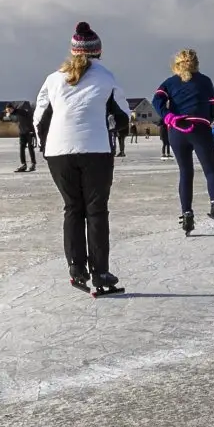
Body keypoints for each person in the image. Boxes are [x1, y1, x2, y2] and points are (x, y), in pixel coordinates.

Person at [35, 21, 127, 294]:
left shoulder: (53, 79)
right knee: (96, 211)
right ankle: (100, 273)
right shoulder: (107, 77)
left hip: (58, 153)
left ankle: (77, 271)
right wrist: (104, 124)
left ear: (73, 51)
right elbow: (123, 118)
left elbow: (40, 118)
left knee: (73, 209)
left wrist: (45, 147)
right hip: (96, 150)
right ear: (98, 51)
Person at [154, 48, 214, 235]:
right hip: (199, 129)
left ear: (176, 65)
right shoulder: (205, 81)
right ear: (196, 63)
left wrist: (168, 115)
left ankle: (187, 216)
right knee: (210, 170)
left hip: (177, 131)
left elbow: (156, 99)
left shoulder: (169, 83)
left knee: (186, 172)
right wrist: (205, 120)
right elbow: (212, 107)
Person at [14, 102, 38, 172]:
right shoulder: (19, 113)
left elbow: (33, 122)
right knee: (22, 148)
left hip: (30, 133)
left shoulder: (29, 113)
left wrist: (33, 132)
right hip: (22, 133)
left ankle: (33, 164)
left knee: (30, 148)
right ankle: (24, 164)